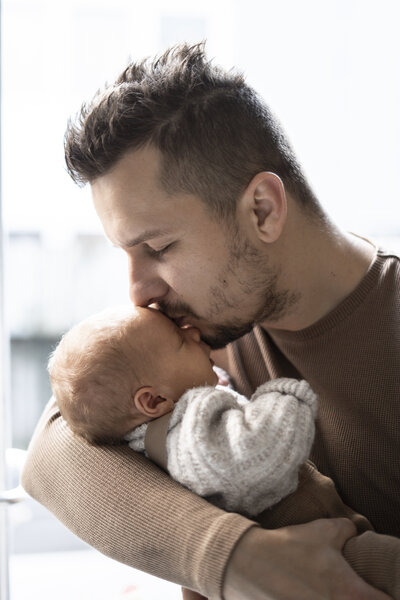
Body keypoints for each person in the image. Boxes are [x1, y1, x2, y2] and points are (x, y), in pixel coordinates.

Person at [21, 42, 399, 600]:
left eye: (158, 247)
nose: (137, 291)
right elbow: (54, 451)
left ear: (262, 209)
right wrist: (232, 558)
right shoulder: (204, 329)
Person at [47, 304, 400, 600]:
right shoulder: (188, 431)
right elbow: (256, 458)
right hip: (322, 551)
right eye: (180, 342)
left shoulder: (156, 435)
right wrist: (283, 396)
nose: (195, 335)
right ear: (153, 400)